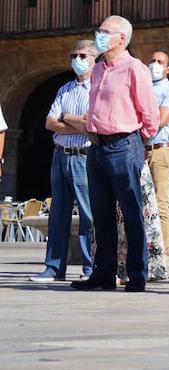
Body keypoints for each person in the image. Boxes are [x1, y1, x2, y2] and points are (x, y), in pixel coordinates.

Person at [71, 15, 160, 292]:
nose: (99, 35)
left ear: (121, 38)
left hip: (124, 144)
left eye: (105, 32)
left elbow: (150, 115)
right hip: (97, 145)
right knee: (101, 213)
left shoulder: (135, 68)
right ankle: (104, 273)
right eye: (98, 30)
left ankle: (137, 274)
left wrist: (137, 142)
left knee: (131, 211)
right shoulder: (98, 69)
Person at [31, 40, 97, 283]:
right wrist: (76, 121)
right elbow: (49, 123)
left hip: (84, 157)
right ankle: (53, 267)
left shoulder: (98, 89)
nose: (77, 59)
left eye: (83, 55)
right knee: (58, 214)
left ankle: (91, 267)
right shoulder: (64, 89)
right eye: (74, 55)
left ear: (94, 59)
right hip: (60, 155)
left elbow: (91, 125)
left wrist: (66, 118)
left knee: (89, 214)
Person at [145, 49, 169, 276]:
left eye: (160, 62)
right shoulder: (143, 89)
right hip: (141, 150)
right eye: (152, 60)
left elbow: (160, 120)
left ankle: (163, 255)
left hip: (162, 149)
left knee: (160, 205)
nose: (154, 64)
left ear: (168, 69)